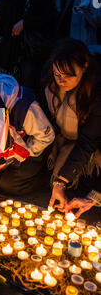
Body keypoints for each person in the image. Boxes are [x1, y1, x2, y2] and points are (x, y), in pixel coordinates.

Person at [44, 39, 101, 217]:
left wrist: (61, 182)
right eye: (57, 74)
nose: (61, 80)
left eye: (68, 75)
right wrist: (60, 183)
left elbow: (88, 141)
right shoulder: (51, 87)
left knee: (85, 184)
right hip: (64, 143)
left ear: (84, 67)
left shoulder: (96, 94)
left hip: (93, 147)